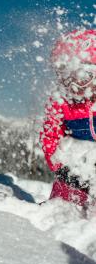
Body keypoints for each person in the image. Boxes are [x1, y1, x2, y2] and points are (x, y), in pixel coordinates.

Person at [40, 29, 96, 206]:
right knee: (63, 203)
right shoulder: (60, 101)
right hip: (74, 168)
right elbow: (50, 136)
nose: (74, 86)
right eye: (66, 76)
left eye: (83, 77)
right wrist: (61, 167)